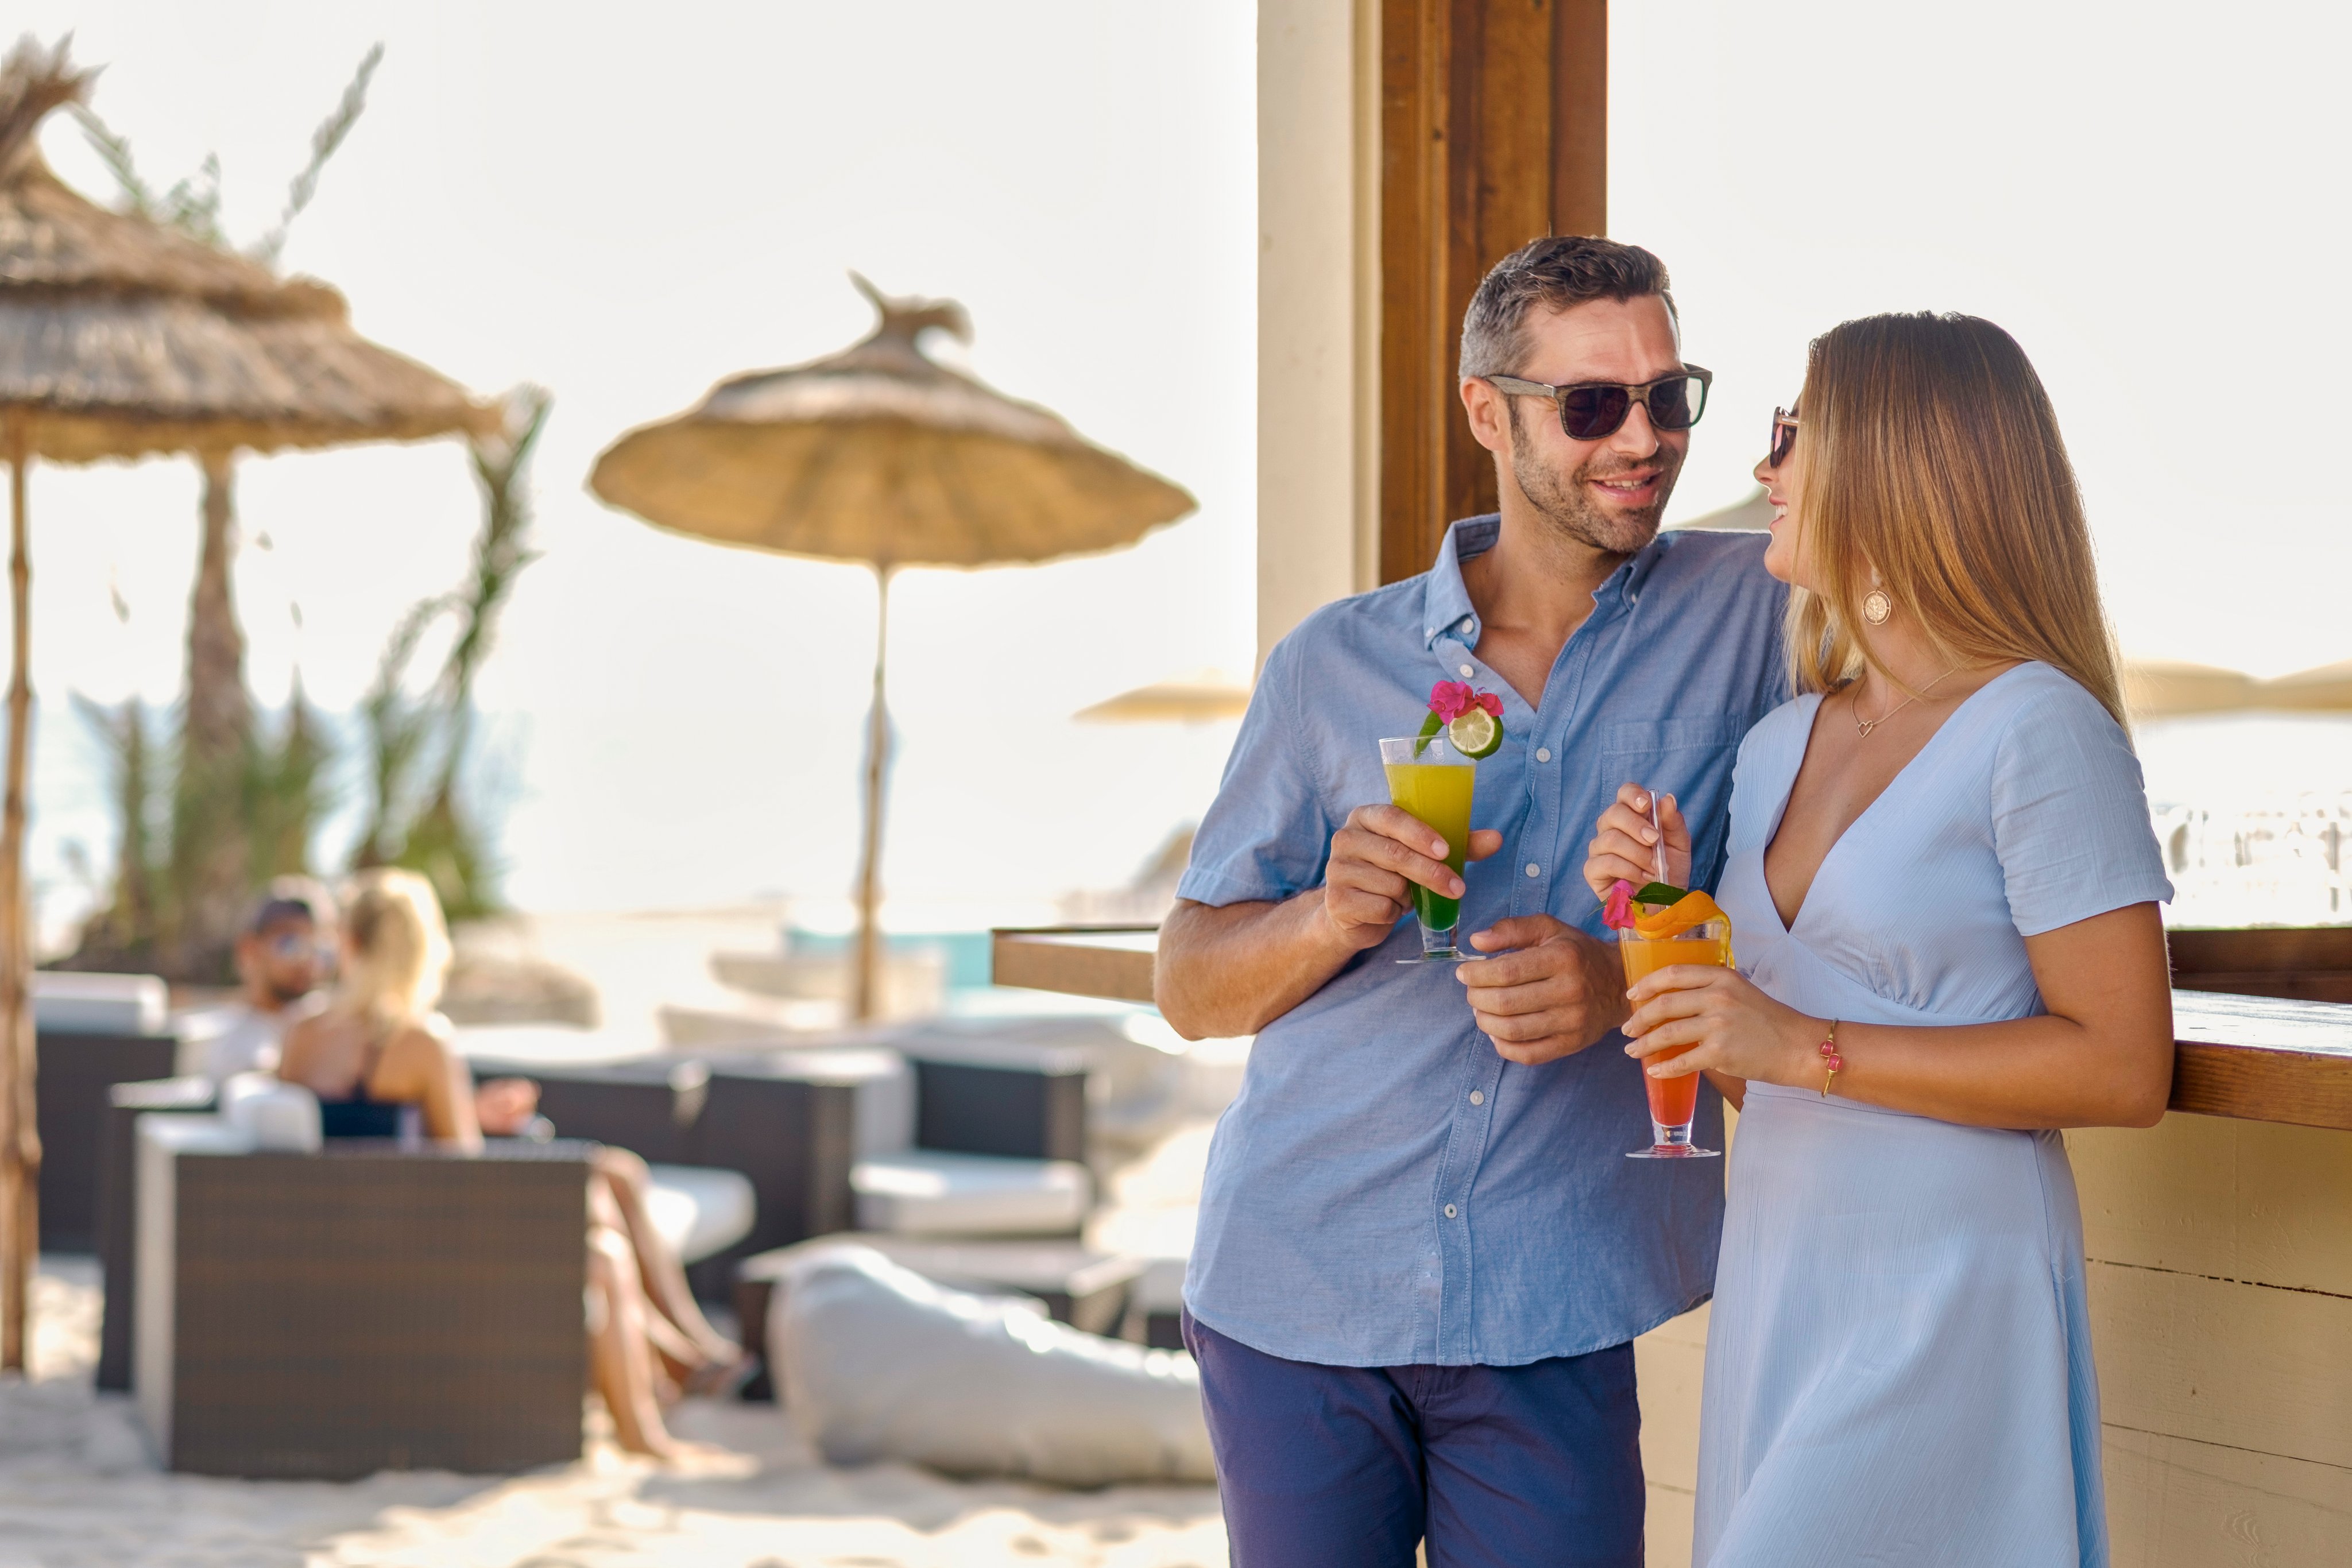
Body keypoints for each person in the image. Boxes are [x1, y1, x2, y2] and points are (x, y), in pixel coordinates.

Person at [1155, 235, 1790, 1567]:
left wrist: (1623, 983)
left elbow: (1933, 557)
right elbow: (1190, 982)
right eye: (1591, 404)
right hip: (1298, 1286)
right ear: (1485, 413)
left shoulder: (1756, 614)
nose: (1644, 439)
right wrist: (1328, 914)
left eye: (1669, 397)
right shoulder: (1332, 663)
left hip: (1554, 1298)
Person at [1584, 312, 2173, 1566]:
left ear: (1895, 464)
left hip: (1946, 1288)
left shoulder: (2036, 731)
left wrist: (1805, 1044)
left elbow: (2122, 1068)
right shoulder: (1778, 740)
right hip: (1786, 1271)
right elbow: (1747, 1072)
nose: (1763, 469)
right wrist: (1664, 922)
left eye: (1791, 431)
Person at [278, 868, 742, 1457]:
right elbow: (468, 1171)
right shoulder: (420, 1040)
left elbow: (358, 1127)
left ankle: (676, 1365)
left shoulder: (304, 1035)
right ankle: (645, 1426)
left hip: (341, 1233)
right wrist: (479, 1122)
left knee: (604, 1186)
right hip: (421, 1241)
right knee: (603, 1247)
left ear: (349, 941)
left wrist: (466, 1110)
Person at [190, 879, 334, 1083]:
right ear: (249, 950)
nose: (308, 961)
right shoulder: (229, 1048)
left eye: (318, 948)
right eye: (291, 945)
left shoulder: (332, 1029)